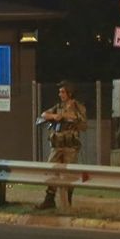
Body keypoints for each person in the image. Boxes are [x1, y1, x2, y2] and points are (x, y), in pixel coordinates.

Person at [36, 80, 88, 209]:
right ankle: (49, 199)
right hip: (57, 145)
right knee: (52, 170)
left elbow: (82, 121)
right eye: (60, 92)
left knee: (69, 174)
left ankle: (67, 202)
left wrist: (65, 116)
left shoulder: (77, 106)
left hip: (70, 146)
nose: (60, 94)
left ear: (70, 93)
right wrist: (55, 116)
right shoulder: (58, 106)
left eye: (63, 92)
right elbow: (43, 115)